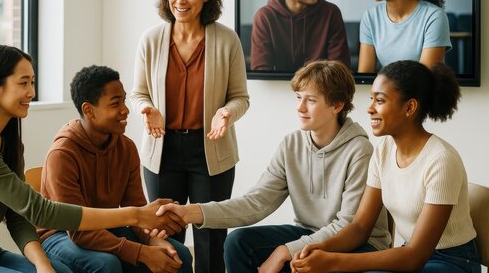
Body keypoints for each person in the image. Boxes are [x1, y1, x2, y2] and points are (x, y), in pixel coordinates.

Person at [0, 45, 185, 272]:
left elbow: (18, 215)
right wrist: (136, 215)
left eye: (32, 82)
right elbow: (40, 211)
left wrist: (43, 266)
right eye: (23, 83)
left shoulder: (8, 142)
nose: (31, 92)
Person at [157, 60, 391, 273]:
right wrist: (191, 212)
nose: (300, 107)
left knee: (303, 262)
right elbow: (256, 203)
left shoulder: (360, 150)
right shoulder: (291, 144)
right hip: (309, 232)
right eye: (298, 97)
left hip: (359, 244)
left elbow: (347, 227)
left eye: (311, 100)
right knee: (238, 242)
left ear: (337, 106)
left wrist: (285, 252)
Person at [291, 60, 481, 273]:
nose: (370, 108)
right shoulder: (383, 151)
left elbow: (415, 257)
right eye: (372, 99)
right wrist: (320, 248)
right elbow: (360, 227)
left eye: (379, 100)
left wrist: (332, 261)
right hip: (410, 252)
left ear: (410, 107)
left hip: (452, 262)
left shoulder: (441, 159)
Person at [130, 0, 250, 273]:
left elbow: (241, 97)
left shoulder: (227, 40)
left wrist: (226, 113)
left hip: (210, 152)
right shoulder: (151, 40)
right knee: (165, 237)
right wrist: (146, 109)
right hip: (162, 151)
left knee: (210, 239)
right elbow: (137, 92)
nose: (180, 0)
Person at [38, 65, 193, 272]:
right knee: (106, 265)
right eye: (115, 103)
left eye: (124, 100)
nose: (126, 109)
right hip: (60, 235)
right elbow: (78, 232)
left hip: (108, 226)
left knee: (178, 254)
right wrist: (141, 252)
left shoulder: (126, 147)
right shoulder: (62, 155)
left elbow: (137, 207)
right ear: (88, 110)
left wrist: (151, 239)